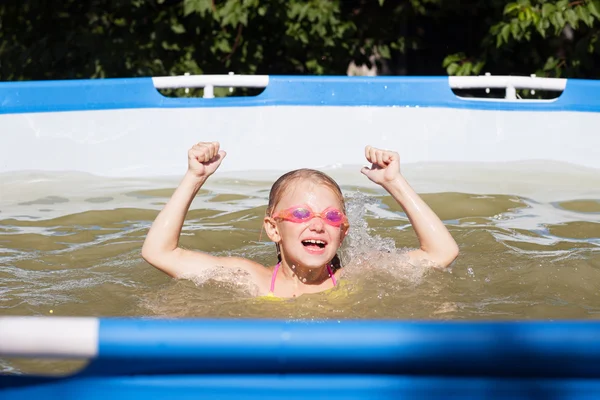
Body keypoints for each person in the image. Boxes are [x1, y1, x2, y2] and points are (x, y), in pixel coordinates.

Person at [142, 142, 459, 298]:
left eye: (332, 217)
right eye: (301, 214)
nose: (318, 225)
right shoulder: (250, 280)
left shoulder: (357, 278)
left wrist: (394, 183)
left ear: (343, 232)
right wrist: (193, 178)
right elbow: (159, 253)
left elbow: (441, 254)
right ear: (272, 228)